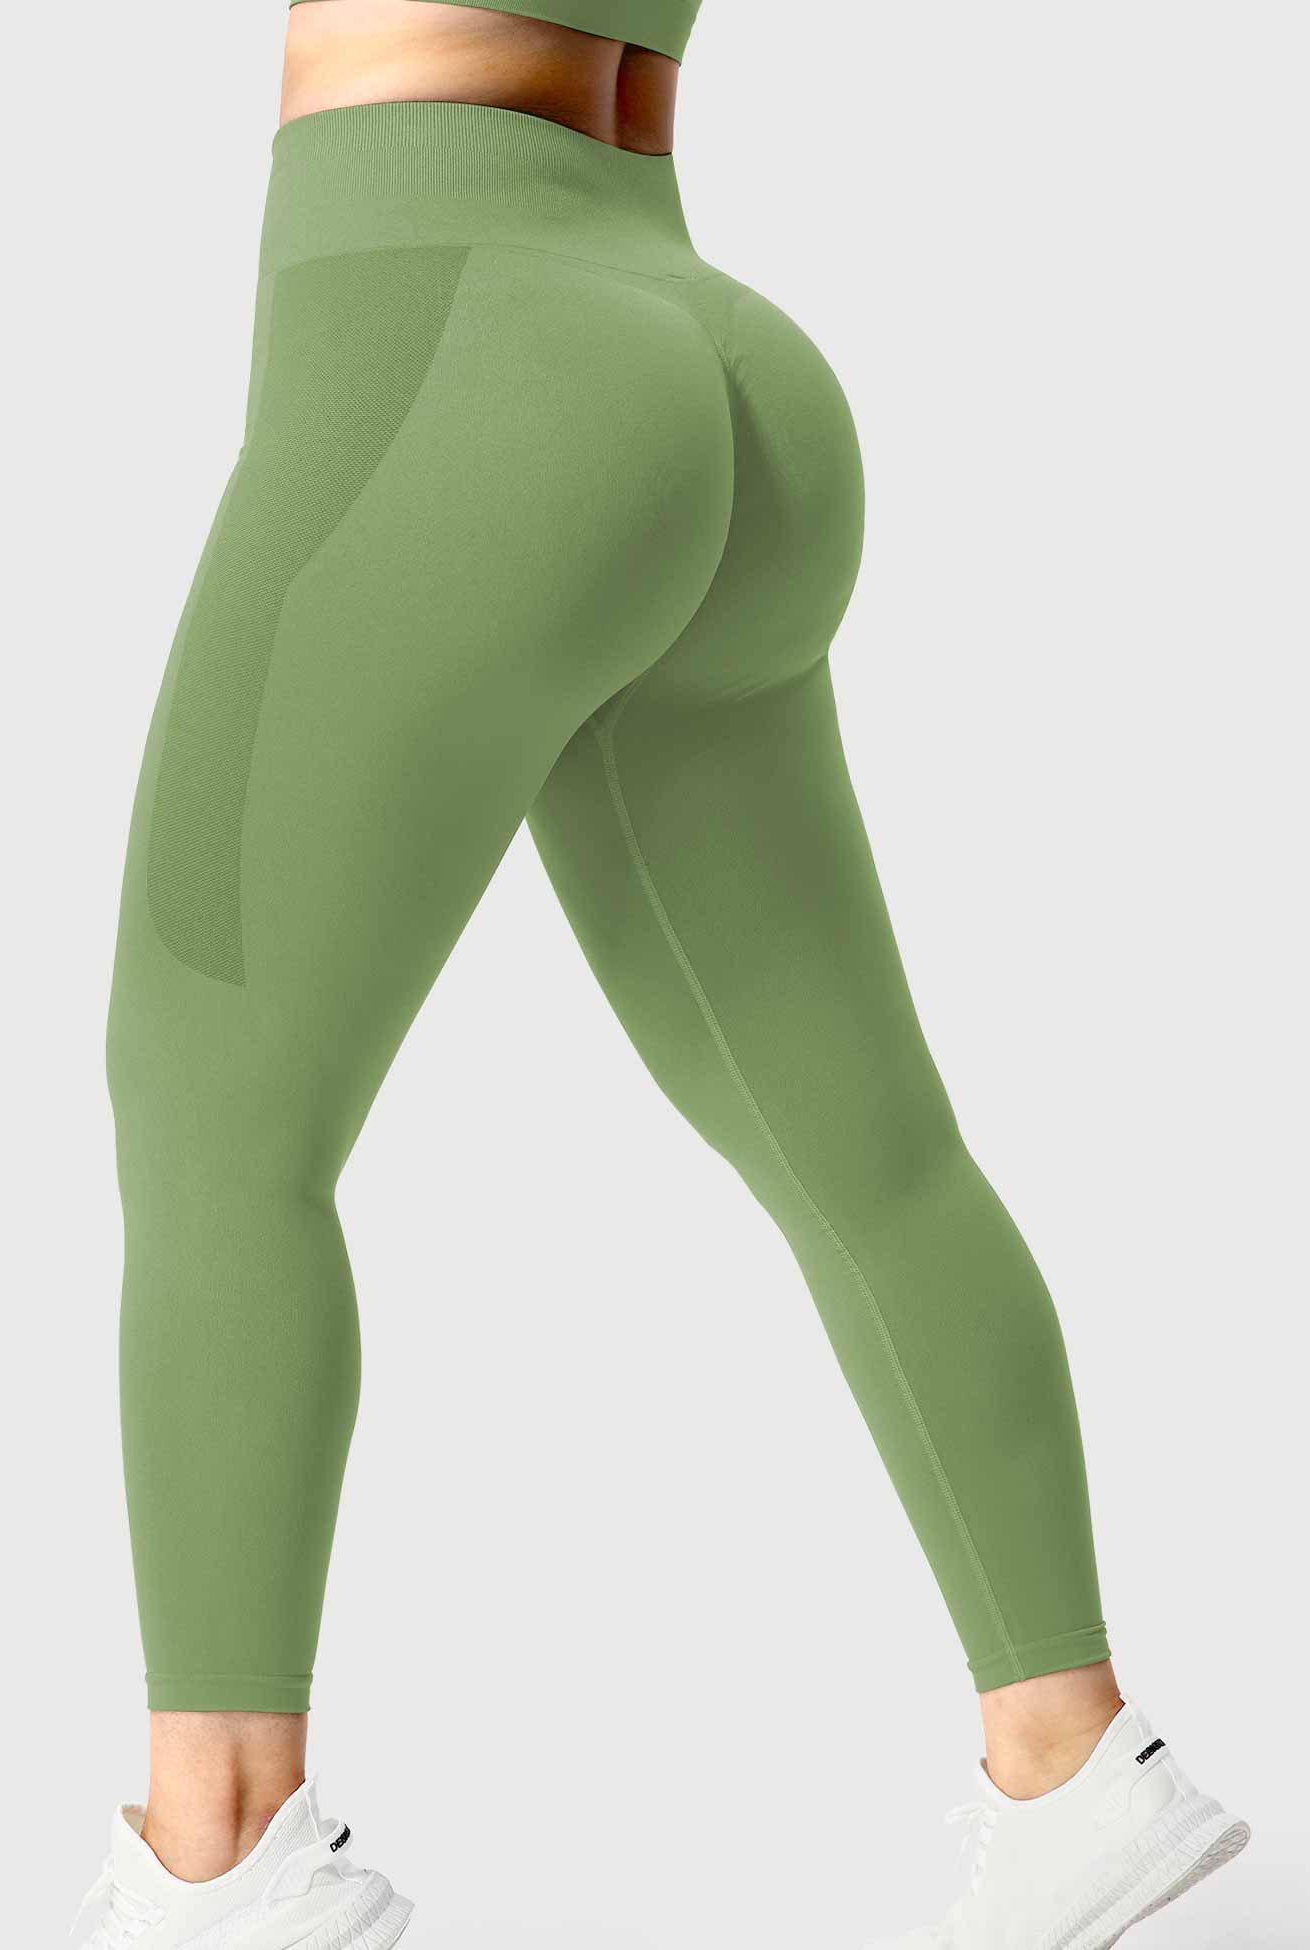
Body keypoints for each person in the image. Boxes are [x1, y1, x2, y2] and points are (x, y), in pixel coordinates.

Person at [78, 4, 1250, 1946]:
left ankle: (219, 1845)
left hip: (446, 346)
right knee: (863, 1146)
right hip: (704, 353)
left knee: (211, 1126)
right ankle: (1071, 1753)